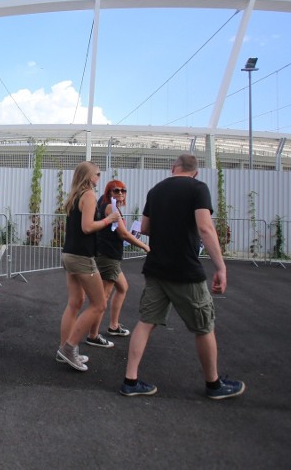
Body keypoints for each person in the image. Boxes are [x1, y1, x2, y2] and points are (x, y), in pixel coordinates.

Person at [120, 153, 245, 400]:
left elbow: (144, 228)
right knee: (204, 326)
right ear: (195, 171)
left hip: (156, 268)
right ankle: (214, 384)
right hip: (185, 271)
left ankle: (130, 380)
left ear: (173, 168)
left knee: (146, 322)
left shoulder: (156, 190)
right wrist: (221, 266)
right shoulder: (198, 188)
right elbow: (205, 227)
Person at [56, 161, 120, 371]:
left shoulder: (74, 196)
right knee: (99, 304)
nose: (99, 178)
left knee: (75, 302)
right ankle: (69, 347)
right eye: (98, 174)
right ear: (89, 177)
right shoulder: (89, 195)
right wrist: (109, 219)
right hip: (82, 257)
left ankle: (63, 350)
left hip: (70, 254)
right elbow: (87, 227)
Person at [87, 180, 150, 341]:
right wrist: (145, 247)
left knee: (122, 288)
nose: (120, 193)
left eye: (123, 190)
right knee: (103, 298)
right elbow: (123, 234)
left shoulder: (105, 202)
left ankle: (113, 326)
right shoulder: (110, 207)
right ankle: (92, 335)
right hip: (108, 257)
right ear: (109, 192)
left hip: (109, 255)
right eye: (116, 190)